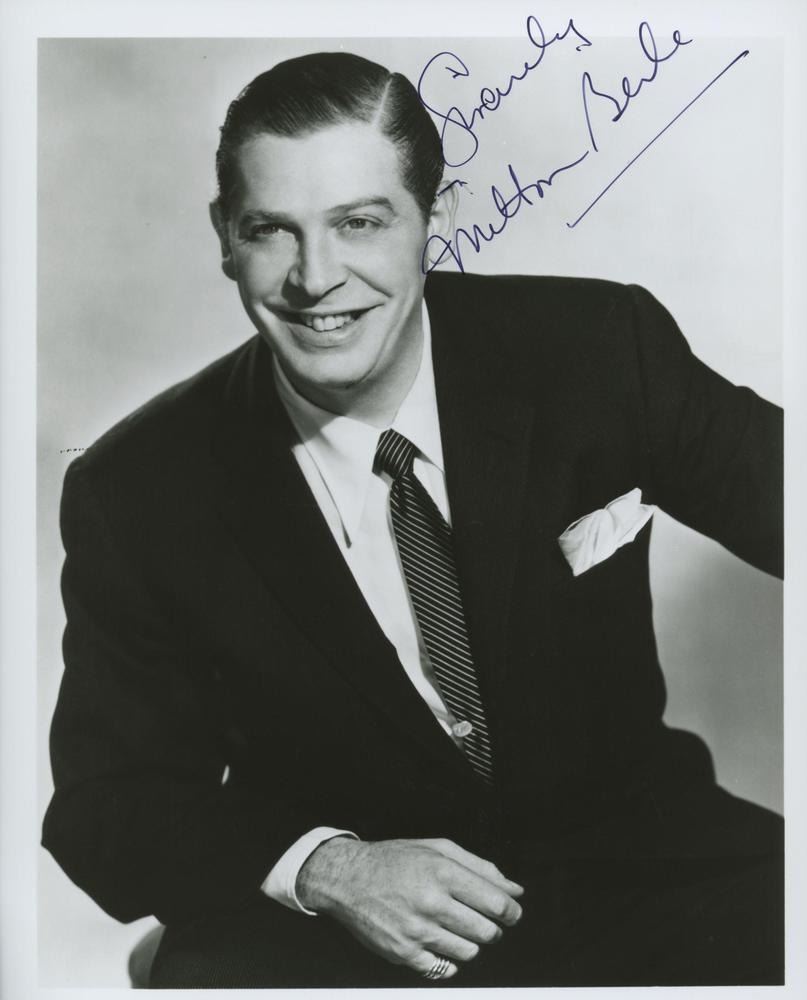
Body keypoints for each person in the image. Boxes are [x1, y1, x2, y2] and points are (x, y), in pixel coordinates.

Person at [42, 51, 783, 988]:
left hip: (636, 867)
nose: (316, 279)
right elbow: (108, 807)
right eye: (272, 230)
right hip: (339, 928)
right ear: (224, 236)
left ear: (438, 218)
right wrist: (326, 869)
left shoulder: (597, 349)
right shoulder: (138, 487)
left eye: (359, 222)